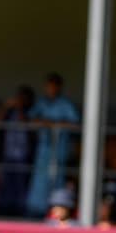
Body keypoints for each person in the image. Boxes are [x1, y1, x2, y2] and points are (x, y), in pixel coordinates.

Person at [26, 73, 80, 218]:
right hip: (43, 151)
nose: (51, 89)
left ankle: (55, 214)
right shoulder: (42, 102)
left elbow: (75, 124)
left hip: (59, 151)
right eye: (49, 86)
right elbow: (31, 120)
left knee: (57, 181)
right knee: (39, 183)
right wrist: (45, 123)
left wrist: (53, 124)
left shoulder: (65, 104)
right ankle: (36, 212)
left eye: (54, 86)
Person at [0, 85, 35, 215]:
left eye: (23, 98)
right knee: (6, 183)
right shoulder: (10, 111)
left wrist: (19, 107)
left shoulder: (30, 111)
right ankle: (4, 208)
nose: (20, 100)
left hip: (23, 154)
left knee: (20, 185)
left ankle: (20, 210)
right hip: (9, 152)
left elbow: (26, 122)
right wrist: (5, 106)